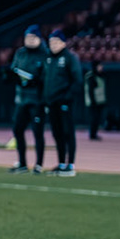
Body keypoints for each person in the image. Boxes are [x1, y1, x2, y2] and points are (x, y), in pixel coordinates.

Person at [7, 26, 48, 174]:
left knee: (37, 132)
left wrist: (36, 81)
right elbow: (14, 69)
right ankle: (22, 162)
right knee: (17, 129)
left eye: (32, 38)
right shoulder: (20, 53)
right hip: (21, 99)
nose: (29, 41)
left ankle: (38, 164)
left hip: (37, 100)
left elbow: (46, 76)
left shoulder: (44, 55)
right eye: (27, 38)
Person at [41, 29, 82, 176]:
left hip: (64, 102)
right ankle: (60, 163)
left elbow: (77, 80)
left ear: (63, 43)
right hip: (51, 102)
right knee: (57, 133)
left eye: (56, 42)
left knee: (67, 132)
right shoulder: (48, 59)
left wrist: (67, 97)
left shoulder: (70, 58)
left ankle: (70, 165)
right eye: (51, 42)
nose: (53, 45)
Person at [86, 63, 107, 140]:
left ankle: (94, 133)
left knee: (97, 118)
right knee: (94, 118)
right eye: (100, 66)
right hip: (93, 101)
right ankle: (92, 134)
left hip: (100, 101)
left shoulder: (101, 75)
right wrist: (93, 101)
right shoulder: (91, 76)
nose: (102, 67)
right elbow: (90, 90)